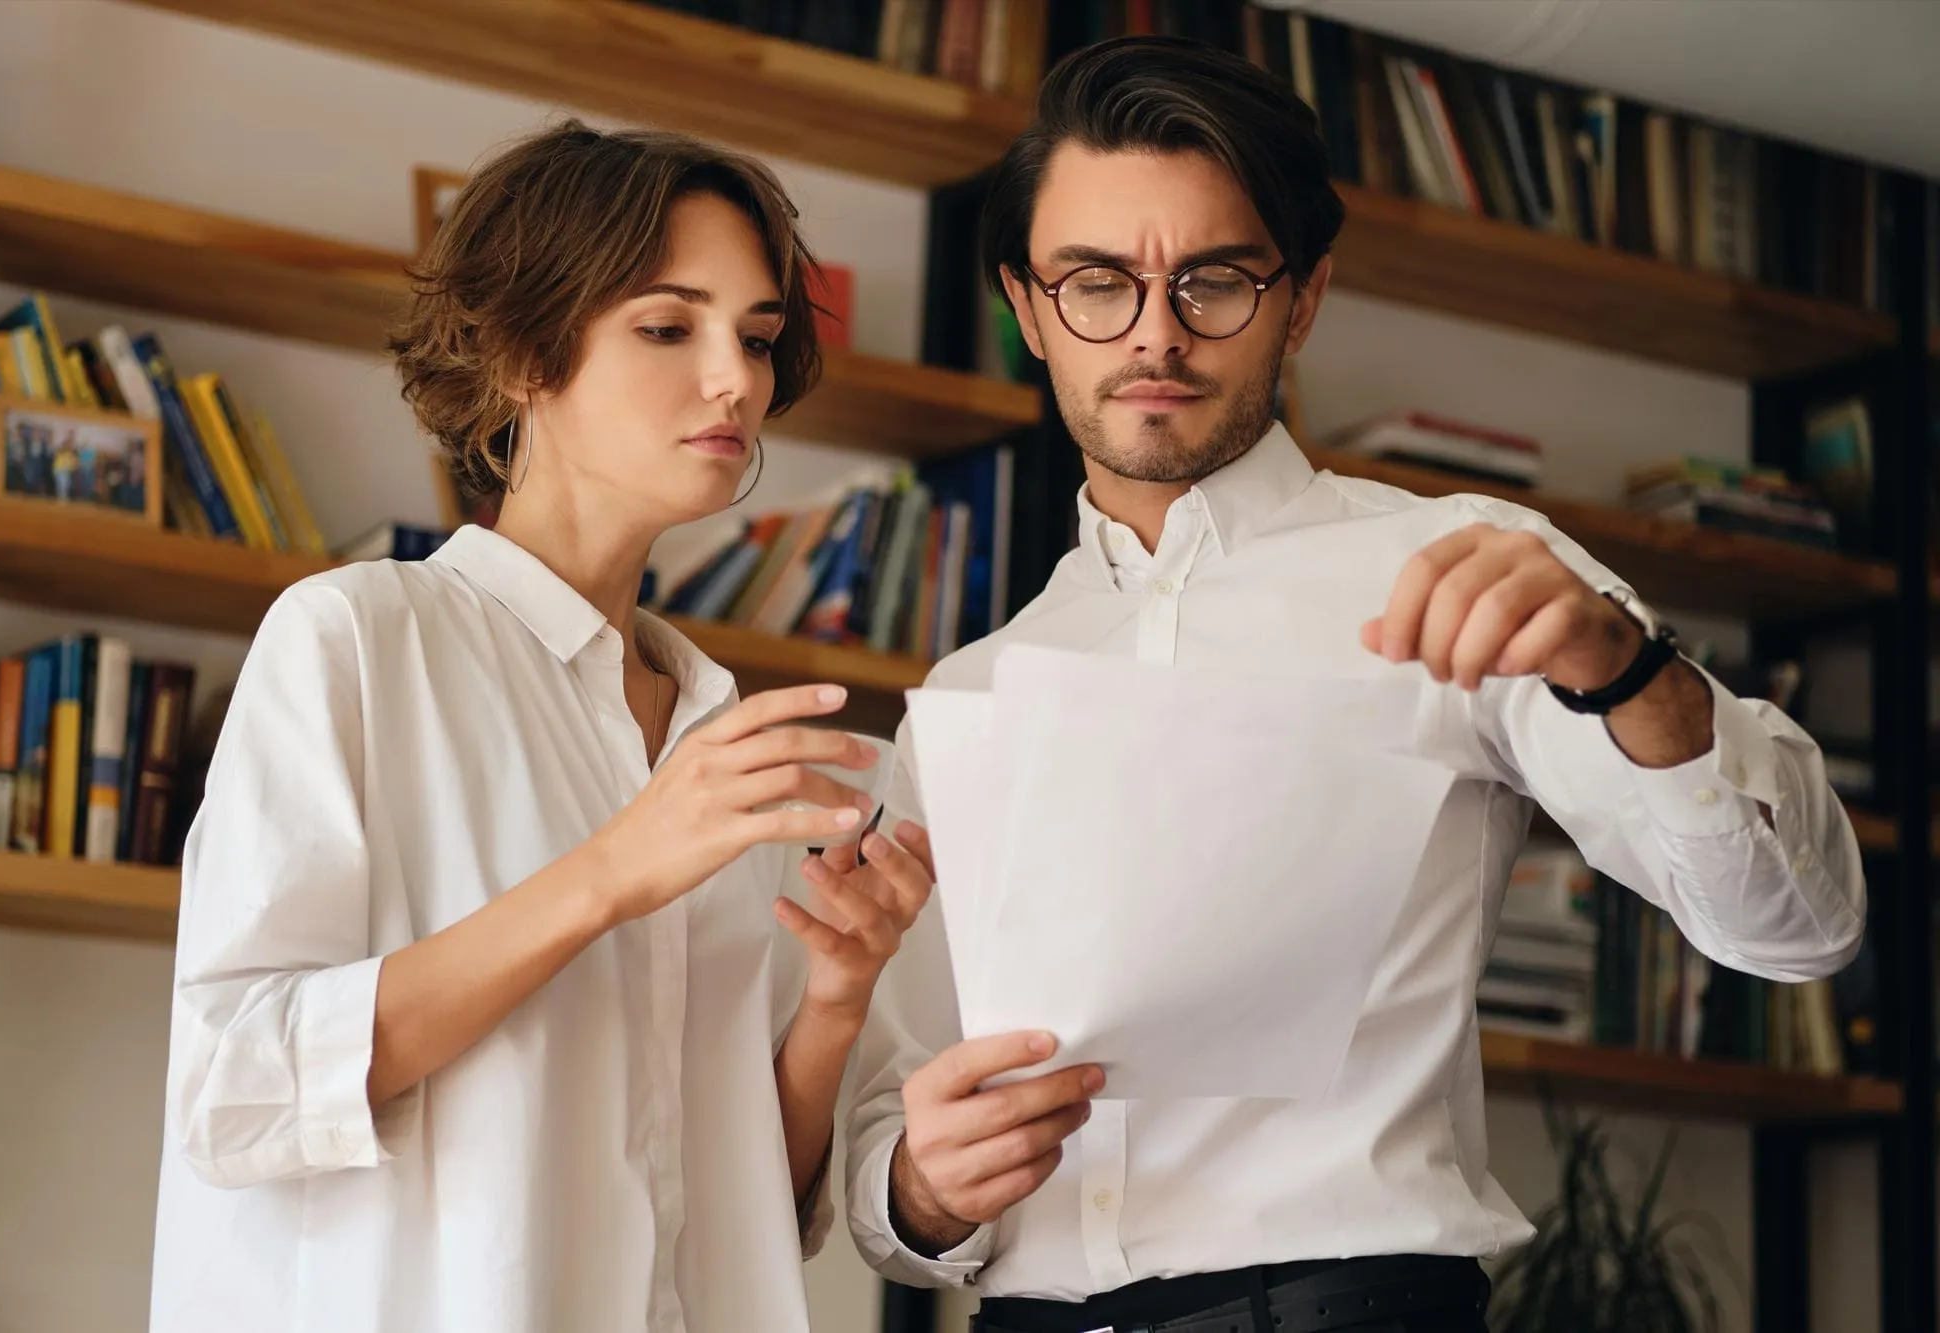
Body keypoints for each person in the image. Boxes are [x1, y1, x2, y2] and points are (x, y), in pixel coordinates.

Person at [836, 37, 1865, 1333]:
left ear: (1302, 298)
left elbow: (1797, 928)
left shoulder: (1473, 573)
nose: (1155, 331)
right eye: (1097, 281)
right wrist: (923, 1189)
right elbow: (892, 1140)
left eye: (1214, 278)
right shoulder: (976, 689)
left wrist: (1626, 665)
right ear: (1028, 307)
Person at [148, 121, 938, 1333]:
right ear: (522, 352)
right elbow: (237, 1087)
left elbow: (742, 1209)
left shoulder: (725, 739)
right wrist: (609, 872)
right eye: (668, 327)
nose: (734, 376)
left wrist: (835, 996)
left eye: (760, 336)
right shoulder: (357, 637)